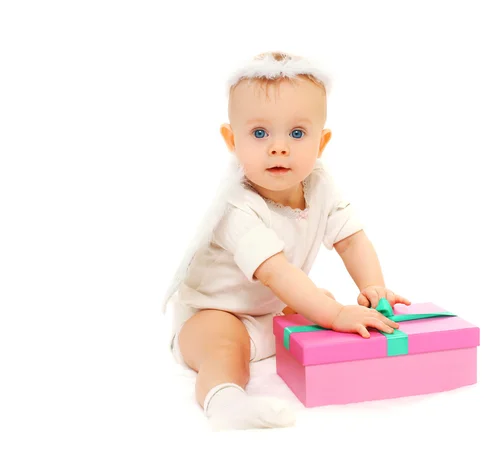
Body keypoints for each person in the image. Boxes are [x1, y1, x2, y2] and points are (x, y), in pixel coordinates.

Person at [162, 51, 411, 431]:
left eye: (297, 133)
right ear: (232, 140)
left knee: (318, 300)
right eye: (259, 133)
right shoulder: (236, 205)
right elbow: (276, 273)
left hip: (271, 312)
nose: (279, 147)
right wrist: (337, 315)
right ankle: (226, 403)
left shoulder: (320, 183)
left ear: (321, 142)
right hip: (212, 314)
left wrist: (373, 286)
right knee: (227, 345)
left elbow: (351, 240)